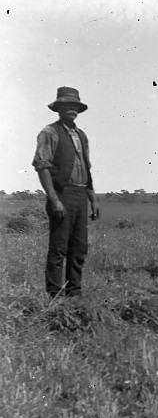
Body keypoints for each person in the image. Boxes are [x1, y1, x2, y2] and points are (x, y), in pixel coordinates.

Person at [32, 86, 99, 297]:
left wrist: (93, 200)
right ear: (59, 108)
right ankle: (53, 295)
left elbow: (86, 169)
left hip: (81, 196)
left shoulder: (81, 135)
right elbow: (42, 166)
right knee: (59, 249)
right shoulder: (49, 132)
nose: (72, 109)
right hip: (62, 195)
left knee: (79, 249)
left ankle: (74, 294)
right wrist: (54, 200)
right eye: (67, 105)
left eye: (75, 106)